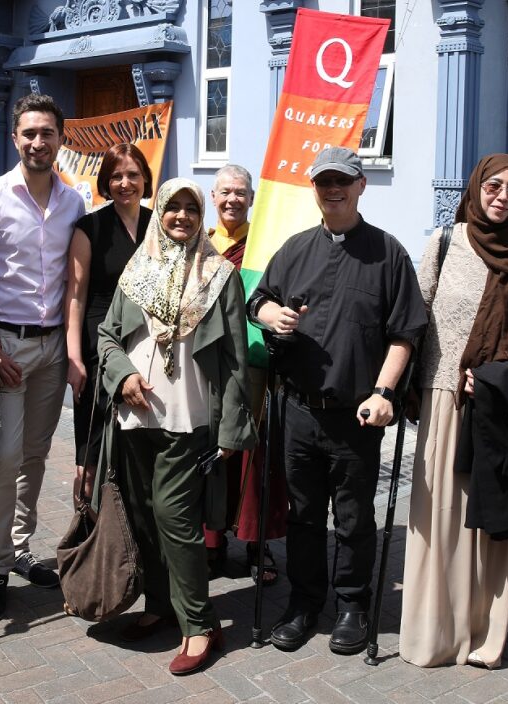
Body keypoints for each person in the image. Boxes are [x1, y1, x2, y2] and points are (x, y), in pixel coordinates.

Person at [247, 147, 427, 655]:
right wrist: (272, 316)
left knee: (353, 519)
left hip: (356, 415)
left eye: (342, 181)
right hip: (298, 410)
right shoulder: (294, 248)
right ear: (315, 188)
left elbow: (406, 332)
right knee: (303, 515)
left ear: (361, 185)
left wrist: (385, 391)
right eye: (324, 182)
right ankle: (304, 603)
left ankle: (353, 604)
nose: (333, 190)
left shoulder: (389, 254)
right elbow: (256, 300)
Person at [399, 154, 508, 669]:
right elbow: (413, 320)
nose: (502, 196)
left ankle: (484, 635)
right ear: (476, 187)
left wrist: (499, 375)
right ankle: (436, 635)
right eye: (494, 185)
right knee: (440, 519)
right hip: (445, 399)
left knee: (490, 524)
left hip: (498, 408)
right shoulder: (444, 244)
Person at [98, 177, 256, 675]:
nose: (182, 216)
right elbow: (107, 336)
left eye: (191, 208)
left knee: (174, 517)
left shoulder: (218, 276)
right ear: (160, 214)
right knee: (144, 514)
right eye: (173, 208)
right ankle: (161, 606)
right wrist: (121, 376)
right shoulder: (137, 270)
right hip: (135, 417)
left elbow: (234, 359)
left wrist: (231, 430)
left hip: (188, 419)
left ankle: (199, 624)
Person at [0, 93, 85, 621]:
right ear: (16, 139)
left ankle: (19, 548)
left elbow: (76, 280)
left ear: (61, 138)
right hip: (3, 346)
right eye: (29, 133)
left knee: (35, 454)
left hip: (52, 347)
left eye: (47, 133)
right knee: (5, 456)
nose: (38, 142)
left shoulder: (74, 202)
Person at [204, 164, 288, 584]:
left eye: (241, 192)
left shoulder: (264, 246)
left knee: (256, 455)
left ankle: (258, 544)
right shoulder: (200, 243)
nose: (233, 199)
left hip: (254, 363)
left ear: (252, 198)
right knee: (213, 453)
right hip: (209, 366)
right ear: (213, 197)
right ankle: (212, 542)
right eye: (225, 192)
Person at [65, 143, 152, 495]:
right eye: (116, 176)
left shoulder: (158, 225)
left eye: (133, 174)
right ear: (106, 181)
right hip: (98, 343)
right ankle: (86, 535)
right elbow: (75, 298)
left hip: (146, 343)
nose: (125, 183)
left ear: (145, 179)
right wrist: (73, 360)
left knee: (137, 442)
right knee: (92, 447)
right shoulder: (90, 228)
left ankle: (129, 539)